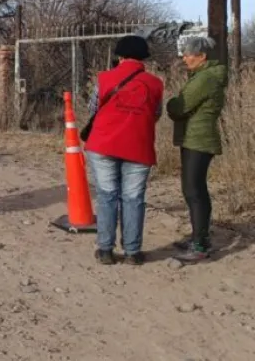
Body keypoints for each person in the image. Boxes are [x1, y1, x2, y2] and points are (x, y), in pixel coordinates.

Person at [83, 35, 164, 266]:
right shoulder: (156, 83)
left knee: (107, 196)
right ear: (144, 58)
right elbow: (156, 114)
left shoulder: (105, 78)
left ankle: (106, 250)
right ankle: (132, 252)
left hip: (103, 143)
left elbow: (93, 107)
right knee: (134, 198)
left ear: (119, 56)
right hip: (138, 146)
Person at [166, 36, 228, 263]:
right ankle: (199, 237)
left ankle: (200, 245)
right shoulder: (204, 76)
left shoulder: (205, 79)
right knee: (194, 190)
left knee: (194, 192)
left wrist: (171, 103)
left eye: (189, 53)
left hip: (199, 141)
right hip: (195, 139)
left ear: (202, 57)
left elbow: (179, 108)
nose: (185, 57)